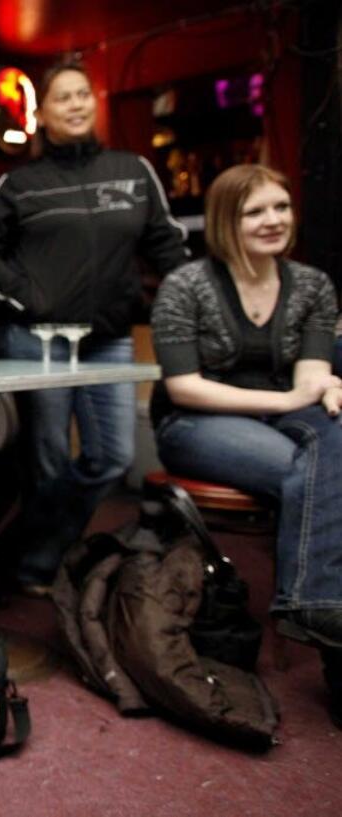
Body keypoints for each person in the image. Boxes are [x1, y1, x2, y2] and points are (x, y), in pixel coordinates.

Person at [0, 61, 190, 593]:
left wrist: (193, 300)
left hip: (108, 340)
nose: (76, 104)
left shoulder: (133, 171)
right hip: (38, 341)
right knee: (44, 461)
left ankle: (30, 548)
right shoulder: (18, 183)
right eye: (63, 97)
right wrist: (29, 299)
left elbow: (167, 246)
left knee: (112, 455)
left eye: (83, 94)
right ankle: (39, 565)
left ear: (95, 102)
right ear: (42, 114)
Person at [151, 163, 342, 726]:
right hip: (195, 423)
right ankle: (327, 629)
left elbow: (311, 375)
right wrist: (291, 400)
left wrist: (313, 391)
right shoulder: (185, 284)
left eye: (281, 207)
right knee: (323, 471)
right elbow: (184, 386)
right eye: (255, 210)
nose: (273, 220)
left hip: (289, 415)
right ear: (224, 220)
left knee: (325, 461)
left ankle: (317, 605)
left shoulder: (311, 284)